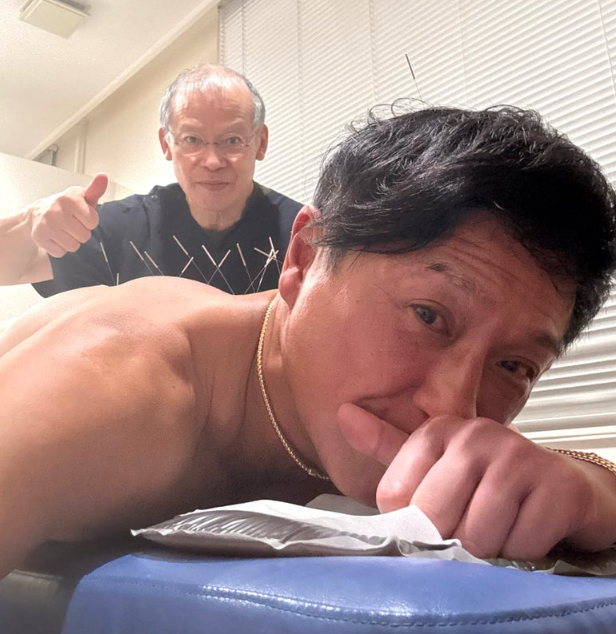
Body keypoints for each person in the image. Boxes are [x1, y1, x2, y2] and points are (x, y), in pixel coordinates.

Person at [2, 103, 616, 581]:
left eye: (513, 365)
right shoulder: (115, 387)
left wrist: (591, 490)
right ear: (303, 256)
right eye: (428, 316)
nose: (452, 407)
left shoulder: (357, 400)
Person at [0, 64, 302, 295]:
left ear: (261, 142)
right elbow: (15, 268)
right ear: (166, 144)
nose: (212, 161)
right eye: (192, 139)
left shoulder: (305, 234)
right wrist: (30, 220)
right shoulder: (123, 226)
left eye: (232, 140)